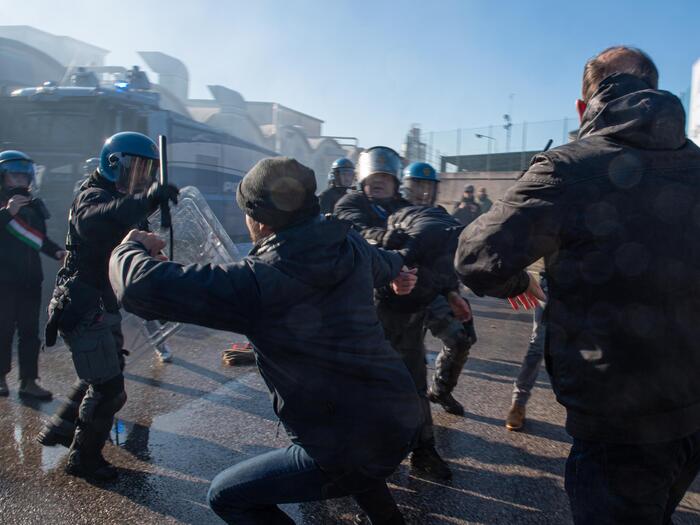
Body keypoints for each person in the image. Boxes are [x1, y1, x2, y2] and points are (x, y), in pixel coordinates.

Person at [455, 46, 700, 524]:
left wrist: (518, 279)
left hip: (619, 421)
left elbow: (475, 256)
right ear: (655, 90)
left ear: (583, 108)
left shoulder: (567, 166)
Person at [109, 156, 422, 525]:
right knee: (356, 460)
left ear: (258, 220)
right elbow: (384, 260)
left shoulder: (259, 281)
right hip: (399, 416)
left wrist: (129, 248)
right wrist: (399, 272)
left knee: (227, 496)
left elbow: (138, 288)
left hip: (346, 440)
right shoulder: (348, 243)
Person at [37, 131, 178, 481]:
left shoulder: (123, 198)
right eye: (136, 169)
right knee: (109, 389)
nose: (141, 178)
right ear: (113, 163)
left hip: (102, 302)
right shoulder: (93, 195)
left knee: (103, 370)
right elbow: (94, 222)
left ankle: (61, 427)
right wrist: (145, 200)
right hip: (84, 304)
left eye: (148, 171)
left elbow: (136, 242)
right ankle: (83, 460)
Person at [336, 149, 468, 480]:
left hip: (406, 307)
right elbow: (353, 233)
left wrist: (450, 290)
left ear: (396, 183)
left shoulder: (406, 210)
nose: (380, 183)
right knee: (358, 382)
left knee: (412, 381)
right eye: (374, 178)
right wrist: (384, 238)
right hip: (360, 307)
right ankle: (350, 453)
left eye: (386, 178)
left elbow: (433, 252)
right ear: (364, 180)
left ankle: (423, 451)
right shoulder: (350, 205)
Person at [402, 162, 478, 416]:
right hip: (397, 299)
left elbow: (449, 259)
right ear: (405, 187)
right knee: (407, 358)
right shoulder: (393, 214)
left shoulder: (441, 216)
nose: (422, 192)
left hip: (433, 293)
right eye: (417, 186)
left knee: (460, 338)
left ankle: (442, 390)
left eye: (427, 186)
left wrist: (453, 292)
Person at [0, 150, 65, 399]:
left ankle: (29, 381)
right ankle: (0, 379)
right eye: (13, 176)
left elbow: (40, 240)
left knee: (30, 332)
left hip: (30, 280)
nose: (20, 181)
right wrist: (8, 213)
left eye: (23, 177)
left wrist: (58, 252)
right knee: (2, 330)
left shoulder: (35, 205)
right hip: (3, 282)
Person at [505, 261, 546, 431]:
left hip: (599, 284)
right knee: (539, 344)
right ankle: (518, 403)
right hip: (554, 280)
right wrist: (514, 274)